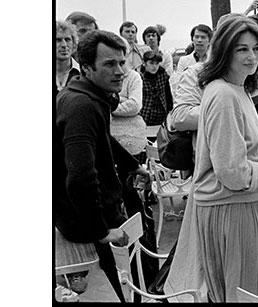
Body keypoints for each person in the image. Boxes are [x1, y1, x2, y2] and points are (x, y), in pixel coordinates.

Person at [189, 14, 258, 302]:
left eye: (256, 48)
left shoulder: (238, 88)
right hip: (231, 208)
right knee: (245, 292)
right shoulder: (224, 94)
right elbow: (231, 172)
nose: (251, 56)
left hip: (241, 204)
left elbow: (238, 155)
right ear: (224, 51)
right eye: (242, 49)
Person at [54, 29, 138, 292]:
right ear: (87, 67)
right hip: (88, 226)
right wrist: (101, 231)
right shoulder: (82, 106)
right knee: (122, 288)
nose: (120, 71)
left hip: (88, 218)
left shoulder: (86, 95)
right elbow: (80, 177)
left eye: (122, 62)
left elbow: (102, 138)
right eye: (109, 64)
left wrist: (133, 165)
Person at [138, 49, 174, 127]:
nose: (154, 66)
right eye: (151, 63)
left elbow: (168, 94)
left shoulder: (163, 75)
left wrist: (170, 110)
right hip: (145, 114)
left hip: (161, 114)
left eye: (157, 63)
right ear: (144, 63)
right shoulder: (139, 78)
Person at [54, 21, 82, 94]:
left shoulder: (83, 73)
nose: (64, 45)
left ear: (74, 43)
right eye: (58, 40)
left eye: (67, 40)